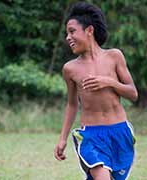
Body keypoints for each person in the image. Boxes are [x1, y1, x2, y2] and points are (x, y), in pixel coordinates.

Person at [54, 2, 138, 180]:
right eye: (67, 33)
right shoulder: (70, 69)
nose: (68, 37)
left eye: (72, 31)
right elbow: (71, 105)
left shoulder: (115, 56)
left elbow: (132, 93)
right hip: (91, 137)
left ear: (89, 30)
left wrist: (109, 82)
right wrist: (62, 138)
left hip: (120, 133)